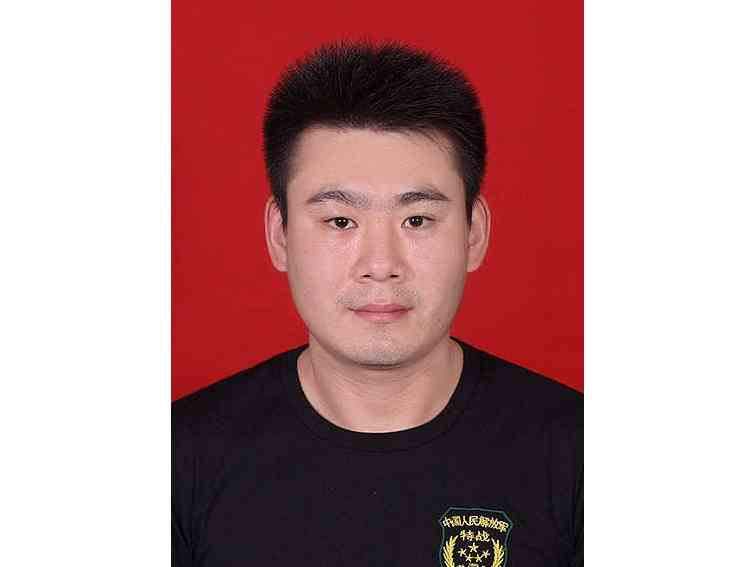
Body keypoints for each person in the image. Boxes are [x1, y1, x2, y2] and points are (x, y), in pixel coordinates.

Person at [173, 39, 582, 567]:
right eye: (340, 221)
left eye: (417, 220)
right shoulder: (178, 461)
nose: (381, 264)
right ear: (280, 234)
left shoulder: (580, 456)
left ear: (474, 233)